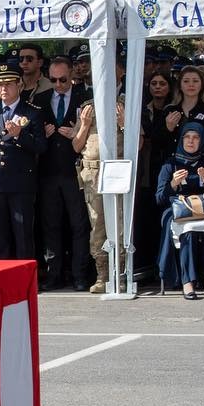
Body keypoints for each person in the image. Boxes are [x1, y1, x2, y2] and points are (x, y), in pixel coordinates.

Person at [0, 62, 46, 260]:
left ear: (19, 85)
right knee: (0, 235)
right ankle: (3, 280)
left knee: (23, 234)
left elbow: (41, 147)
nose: (3, 89)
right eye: (0, 85)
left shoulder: (32, 111)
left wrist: (19, 136)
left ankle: (25, 279)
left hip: (20, 182)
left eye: (8, 84)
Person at [37, 58, 91, 289]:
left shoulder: (83, 99)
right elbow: (32, 135)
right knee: (51, 225)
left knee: (79, 225)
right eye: (53, 80)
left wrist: (77, 134)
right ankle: (53, 274)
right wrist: (43, 135)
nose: (58, 84)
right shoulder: (40, 100)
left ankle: (79, 275)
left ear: (72, 76)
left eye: (63, 79)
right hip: (49, 173)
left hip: (74, 171)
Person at [156, 122, 204, 299]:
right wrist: (173, 184)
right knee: (188, 232)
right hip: (178, 211)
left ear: (202, 140)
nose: (191, 141)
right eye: (187, 137)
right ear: (181, 139)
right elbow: (160, 198)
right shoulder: (171, 164)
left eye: (195, 138)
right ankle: (188, 282)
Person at [74, 97, 129, 292]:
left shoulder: (123, 105)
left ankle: (121, 274)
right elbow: (76, 146)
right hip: (93, 173)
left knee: (120, 224)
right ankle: (102, 275)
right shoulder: (87, 107)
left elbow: (137, 144)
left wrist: (123, 124)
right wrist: (85, 125)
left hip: (118, 170)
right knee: (97, 225)